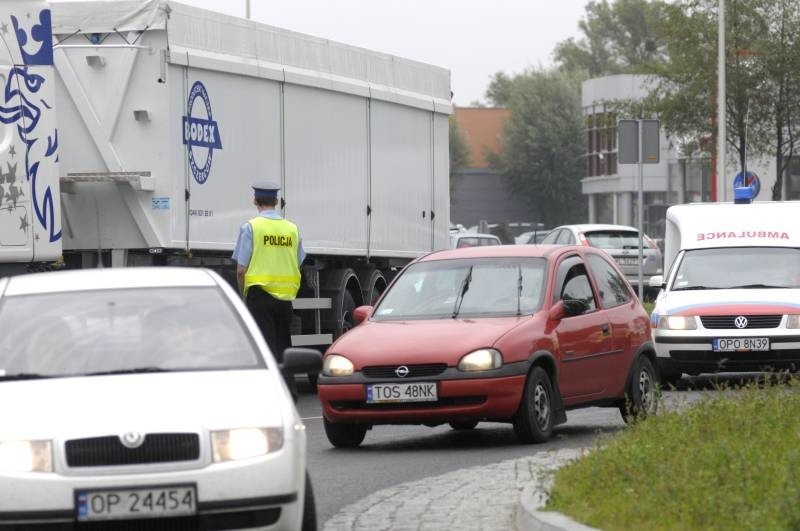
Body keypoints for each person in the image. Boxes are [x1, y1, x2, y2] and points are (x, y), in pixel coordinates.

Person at [232, 181, 305, 395]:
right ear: (277, 201)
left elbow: (240, 270)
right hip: (285, 298)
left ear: (255, 200)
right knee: (284, 344)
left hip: (259, 295)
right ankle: (290, 390)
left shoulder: (251, 227)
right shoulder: (292, 229)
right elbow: (298, 260)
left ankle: (271, 393)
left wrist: (243, 294)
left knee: (265, 345)